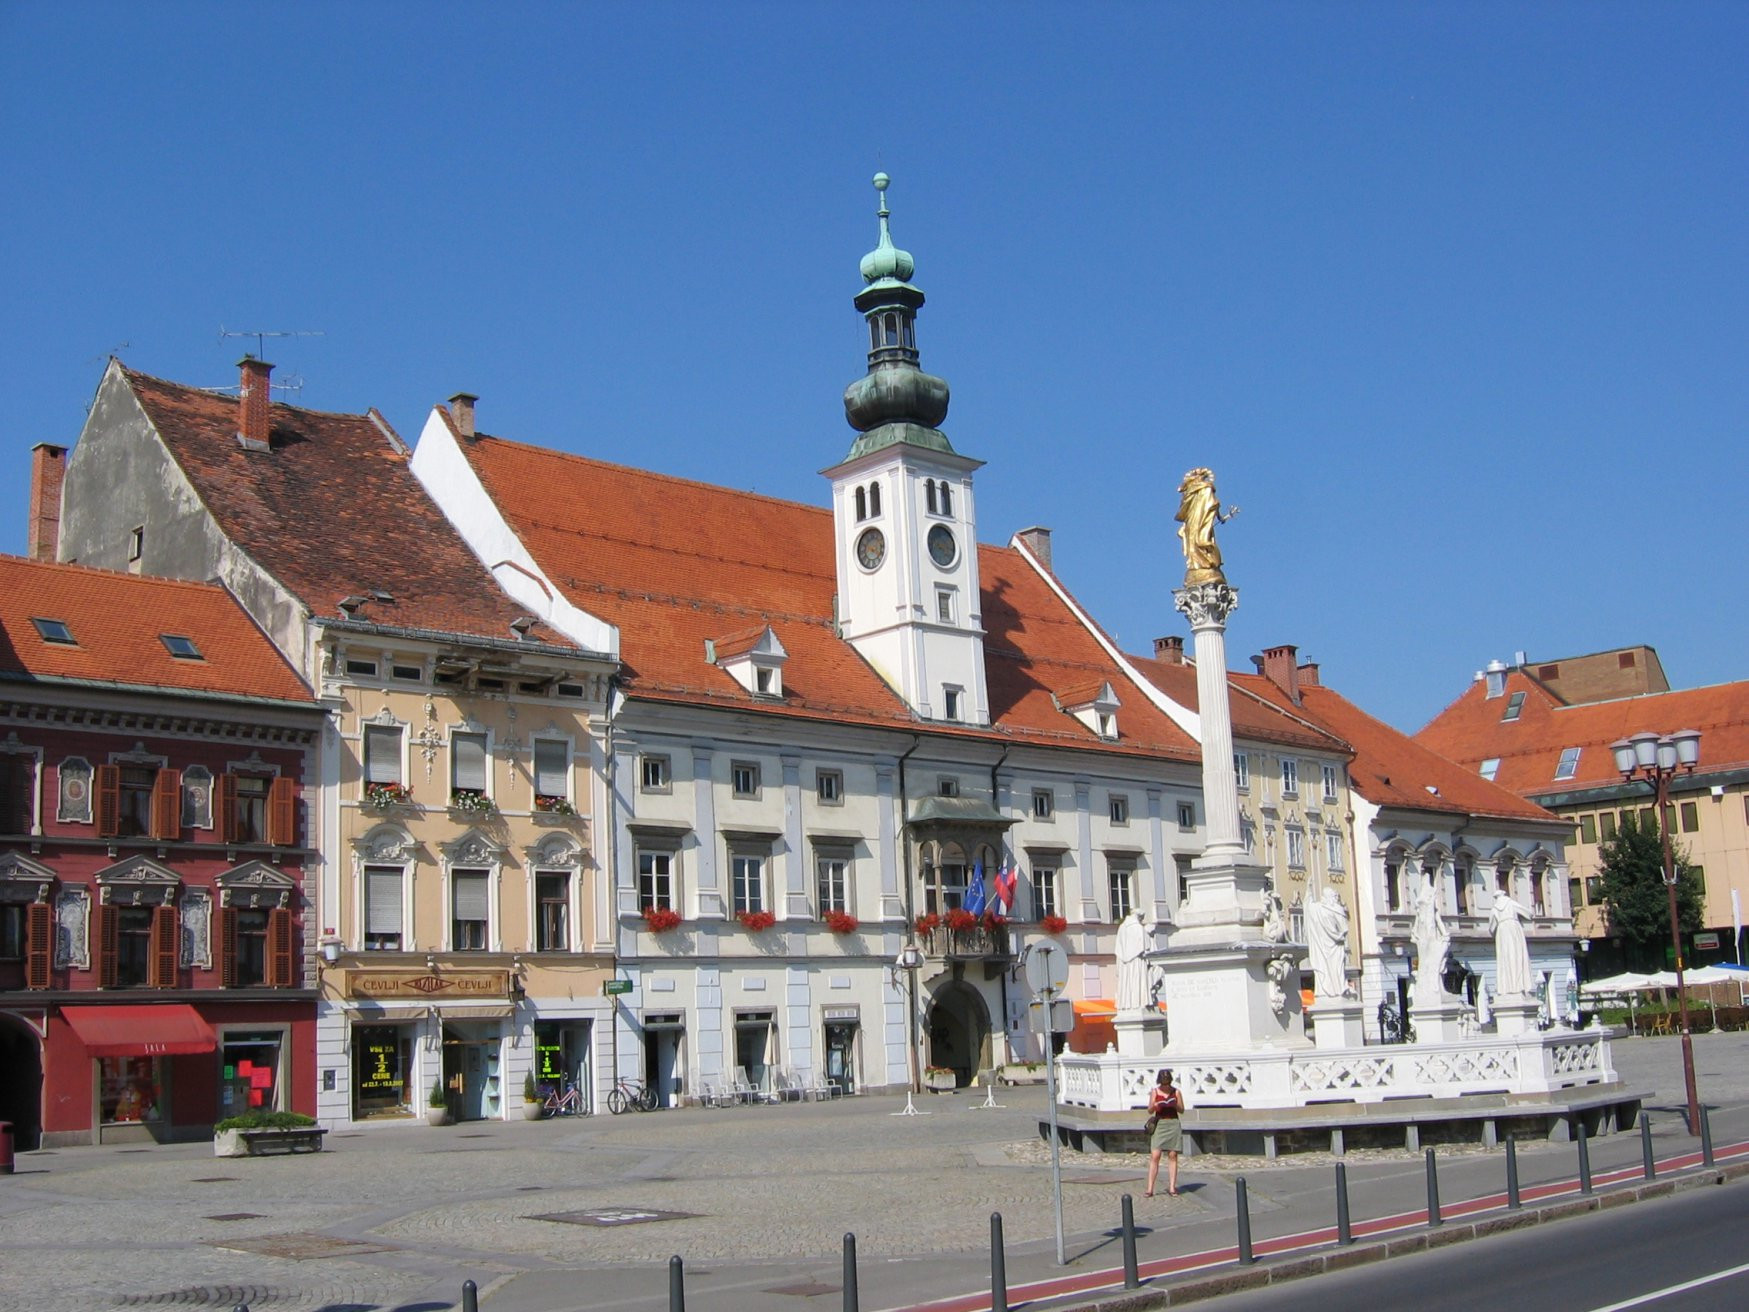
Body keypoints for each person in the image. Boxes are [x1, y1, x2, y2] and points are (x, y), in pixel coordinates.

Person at [1174, 467, 1236, 584]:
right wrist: (1220, 517)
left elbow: (1212, 504)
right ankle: (1197, 563)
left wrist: (1220, 516)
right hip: (1193, 520)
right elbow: (1212, 504)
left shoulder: (1206, 489)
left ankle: (1205, 563)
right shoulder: (1191, 491)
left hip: (1200, 520)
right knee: (1194, 544)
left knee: (1200, 541)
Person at [1144, 1068, 1187, 1198]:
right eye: (1163, 1083)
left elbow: (1182, 1110)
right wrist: (1156, 1105)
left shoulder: (1176, 1092)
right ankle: (1150, 1188)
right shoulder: (1155, 1091)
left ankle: (1172, 1187)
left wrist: (1174, 1105)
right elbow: (1150, 1110)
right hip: (1160, 1123)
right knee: (1155, 1155)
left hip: (1173, 1123)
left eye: (1167, 1083)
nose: (1165, 1085)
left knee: (1173, 1155)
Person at [1303, 886, 1351, 1000]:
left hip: (1323, 948)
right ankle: (1339, 989)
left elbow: (1307, 905)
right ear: (1330, 897)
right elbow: (1344, 929)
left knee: (1326, 969)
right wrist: (1337, 935)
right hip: (1335, 947)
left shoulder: (1316, 908)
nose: (1336, 898)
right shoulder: (1337, 909)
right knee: (1337, 969)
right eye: (1334, 896)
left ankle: (1327, 990)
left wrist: (1309, 891)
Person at [1490, 888, 1534, 997]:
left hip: (1501, 931)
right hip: (1514, 928)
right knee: (1517, 956)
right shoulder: (1511, 903)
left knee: (1505, 958)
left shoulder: (1494, 909)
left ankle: (1506, 987)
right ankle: (1520, 985)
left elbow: (1491, 928)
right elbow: (1529, 913)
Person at [1115, 908, 1152, 1014]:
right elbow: (1146, 947)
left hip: (1124, 966)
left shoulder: (1122, 928)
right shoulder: (1139, 929)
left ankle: (1127, 1002)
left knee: (1127, 983)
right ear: (1139, 917)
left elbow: (1119, 950)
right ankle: (1139, 1001)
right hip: (1137, 962)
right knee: (1137, 980)